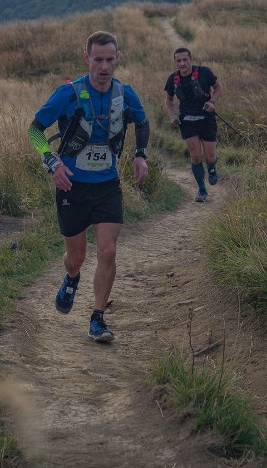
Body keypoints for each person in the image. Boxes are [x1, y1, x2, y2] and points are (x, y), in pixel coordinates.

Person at [28, 31, 150, 343]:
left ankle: (97, 318)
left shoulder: (125, 93)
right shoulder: (68, 93)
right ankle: (71, 278)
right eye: (98, 59)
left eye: (110, 59)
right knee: (77, 256)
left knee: (108, 251)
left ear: (117, 58)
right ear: (87, 59)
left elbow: (142, 121)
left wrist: (140, 155)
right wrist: (52, 162)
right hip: (72, 187)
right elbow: (35, 130)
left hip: (107, 186)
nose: (104, 66)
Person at [163, 47, 223, 202]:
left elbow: (218, 87)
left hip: (206, 118)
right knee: (196, 156)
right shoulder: (173, 79)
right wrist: (172, 115)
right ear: (175, 62)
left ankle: (211, 167)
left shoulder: (204, 72)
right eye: (178, 60)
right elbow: (168, 100)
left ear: (191, 59)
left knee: (209, 157)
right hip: (187, 120)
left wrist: (212, 101)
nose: (182, 63)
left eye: (185, 59)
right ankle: (202, 190)